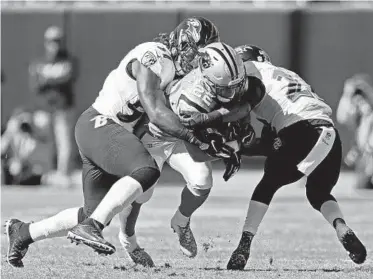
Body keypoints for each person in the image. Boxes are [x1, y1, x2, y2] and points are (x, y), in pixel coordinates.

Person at [4, 17, 234, 268]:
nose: (196, 61)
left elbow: (161, 119)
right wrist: (195, 138)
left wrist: (211, 134)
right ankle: (92, 227)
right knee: (147, 170)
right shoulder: (154, 55)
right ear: (182, 43)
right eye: (195, 52)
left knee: (92, 210)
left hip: (107, 132)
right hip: (99, 124)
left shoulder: (176, 73)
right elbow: (156, 112)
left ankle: (23, 232)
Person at [180, 44, 367, 269]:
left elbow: (254, 124)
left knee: (267, 184)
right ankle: (341, 227)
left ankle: (243, 245)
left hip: (301, 129)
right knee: (318, 192)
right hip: (329, 134)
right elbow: (271, 144)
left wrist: (223, 136)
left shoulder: (248, 73)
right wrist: (239, 146)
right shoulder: (287, 76)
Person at [118, 42, 252, 266]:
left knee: (202, 180)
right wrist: (232, 146)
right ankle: (128, 240)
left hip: (181, 136)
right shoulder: (192, 101)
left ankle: (181, 221)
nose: (233, 92)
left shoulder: (217, 79)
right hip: (155, 136)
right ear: (208, 81)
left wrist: (230, 123)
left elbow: (240, 105)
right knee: (143, 191)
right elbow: (200, 146)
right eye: (227, 88)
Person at [28, 26, 78, 186]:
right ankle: (47, 175)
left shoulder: (69, 60)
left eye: (57, 41)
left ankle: (63, 175)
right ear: (46, 42)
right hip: (44, 108)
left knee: (64, 142)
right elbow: (35, 84)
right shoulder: (39, 62)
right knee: (45, 143)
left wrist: (47, 79)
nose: (54, 44)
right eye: (51, 41)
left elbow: (68, 78)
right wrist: (54, 78)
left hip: (63, 108)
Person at [337, 74, 373, 189]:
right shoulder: (361, 118)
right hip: (364, 160)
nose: (361, 102)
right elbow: (342, 117)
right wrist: (347, 94)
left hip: (367, 159)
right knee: (361, 185)